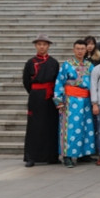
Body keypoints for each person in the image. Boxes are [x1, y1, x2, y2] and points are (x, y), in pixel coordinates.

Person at [53, 39, 96, 168]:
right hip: (70, 101)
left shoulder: (90, 66)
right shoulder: (67, 65)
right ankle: (67, 155)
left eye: (82, 49)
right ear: (73, 49)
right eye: (77, 49)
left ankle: (84, 154)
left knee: (86, 127)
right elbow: (59, 82)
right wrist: (59, 101)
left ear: (86, 50)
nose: (80, 51)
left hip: (86, 101)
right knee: (70, 128)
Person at [23, 33, 60, 167]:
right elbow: (26, 81)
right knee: (35, 126)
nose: (42, 47)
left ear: (48, 46)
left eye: (44, 44)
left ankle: (51, 156)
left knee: (51, 125)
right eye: (39, 44)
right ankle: (31, 157)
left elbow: (57, 81)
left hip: (50, 97)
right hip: (36, 97)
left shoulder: (54, 62)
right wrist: (36, 93)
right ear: (36, 46)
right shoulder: (30, 62)